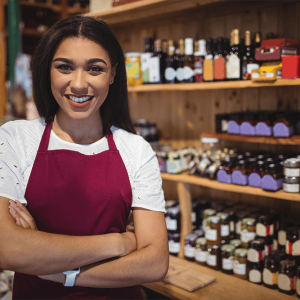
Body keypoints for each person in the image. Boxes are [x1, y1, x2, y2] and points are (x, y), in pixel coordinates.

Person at [0, 15, 168, 300]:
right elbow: (7, 249)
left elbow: (154, 263)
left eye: (95, 69)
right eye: (65, 67)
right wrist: (118, 242)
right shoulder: (15, 139)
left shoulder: (135, 149)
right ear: (47, 71)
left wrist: (57, 270)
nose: (78, 84)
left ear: (113, 74)